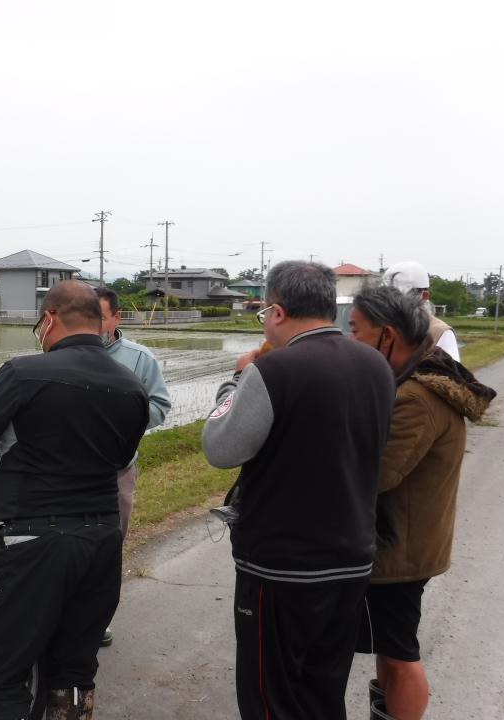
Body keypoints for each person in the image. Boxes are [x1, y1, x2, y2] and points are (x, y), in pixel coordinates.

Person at [201, 261, 396, 719]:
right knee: (323, 691)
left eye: (264, 311)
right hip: (351, 559)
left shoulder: (274, 371)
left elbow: (221, 447)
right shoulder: (375, 365)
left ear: (278, 312)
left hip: (280, 567)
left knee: (270, 697)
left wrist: (234, 382)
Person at [0, 280, 149, 720]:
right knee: (75, 668)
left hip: (35, 539)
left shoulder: (24, 373)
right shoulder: (131, 386)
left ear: (49, 319)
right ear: (100, 322)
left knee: (4, 673)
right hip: (102, 540)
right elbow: (121, 457)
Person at [349, 285, 495, 720]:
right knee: (388, 649)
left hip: (401, 550)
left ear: (387, 336)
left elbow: (379, 473)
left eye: (356, 330)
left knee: (399, 654)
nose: (349, 339)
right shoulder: (413, 380)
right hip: (403, 543)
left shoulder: (416, 397)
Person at [95, 286, 171, 647]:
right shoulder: (58, 352)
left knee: (110, 545)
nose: (91, 325)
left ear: (115, 318)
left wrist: (121, 419)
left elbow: (159, 406)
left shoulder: (139, 359)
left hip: (117, 469)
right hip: (69, 470)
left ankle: (97, 619)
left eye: (99, 317)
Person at [382, 260, 460, 361]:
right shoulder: (380, 326)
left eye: (400, 298)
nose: (393, 303)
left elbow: (451, 373)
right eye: (387, 297)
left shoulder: (439, 332)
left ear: (424, 296)